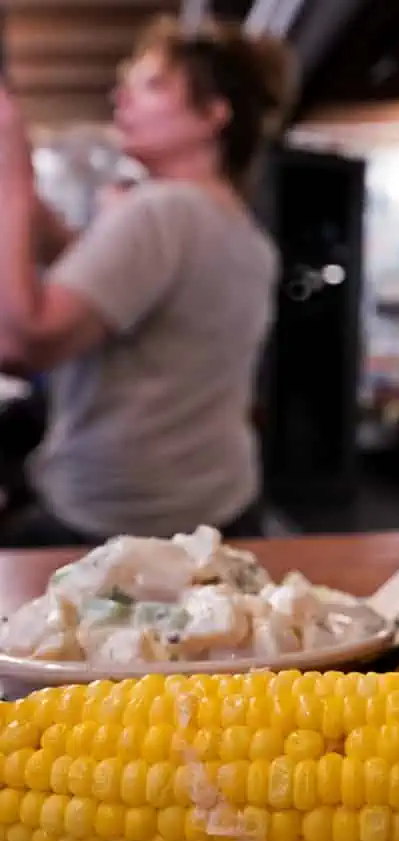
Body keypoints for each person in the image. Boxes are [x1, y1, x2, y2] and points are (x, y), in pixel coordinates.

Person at [0, 17, 293, 546]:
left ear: (212, 115)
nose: (121, 97)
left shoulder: (161, 211)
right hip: (219, 513)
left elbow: (22, 341)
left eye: (152, 84)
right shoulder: (240, 229)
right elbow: (98, 278)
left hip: (114, 532)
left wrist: (9, 175)